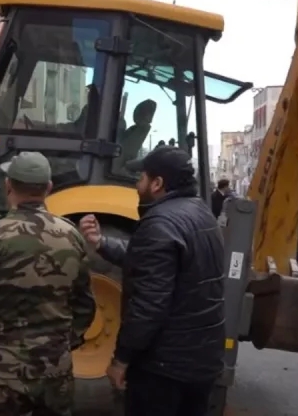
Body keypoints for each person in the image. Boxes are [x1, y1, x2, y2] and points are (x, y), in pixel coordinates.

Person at [0, 151, 96, 416]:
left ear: (8, 185)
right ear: (48, 188)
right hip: (55, 374)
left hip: (1, 376)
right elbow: (85, 306)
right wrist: (61, 344)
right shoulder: (71, 236)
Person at [79, 146, 226, 416]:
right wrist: (101, 243)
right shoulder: (202, 213)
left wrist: (121, 359)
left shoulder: (160, 223)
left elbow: (149, 306)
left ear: (157, 184)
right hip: (202, 362)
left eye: (142, 178)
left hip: (163, 370)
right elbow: (154, 265)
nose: (138, 185)